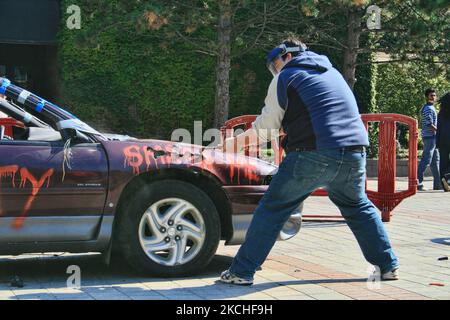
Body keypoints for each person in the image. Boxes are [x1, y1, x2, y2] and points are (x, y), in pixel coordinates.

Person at [219, 37, 399, 285]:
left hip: (313, 153)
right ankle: (388, 266)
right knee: (358, 207)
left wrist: (229, 146)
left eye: (275, 64)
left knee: (273, 207)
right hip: (355, 151)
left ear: (287, 56)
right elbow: (320, 112)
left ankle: (241, 272)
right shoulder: (332, 73)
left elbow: (265, 129)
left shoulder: (288, 76)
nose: (276, 71)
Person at [417, 88, 441, 191]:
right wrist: (440, 132)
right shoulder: (427, 109)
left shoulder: (431, 107)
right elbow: (429, 124)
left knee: (436, 161)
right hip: (430, 137)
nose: (433, 97)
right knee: (426, 160)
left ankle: (437, 185)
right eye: (431, 95)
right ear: (427, 97)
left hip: (433, 137)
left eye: (434, 95)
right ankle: (419, 183)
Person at [436, 92, 450, 191]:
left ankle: (444, 183)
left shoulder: (441, 113)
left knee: (443, 162)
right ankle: (447, 177)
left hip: (442, 139)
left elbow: (438, 127)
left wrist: (437, 142)